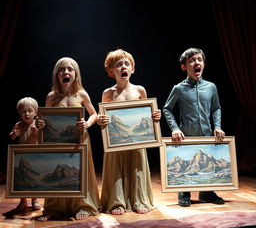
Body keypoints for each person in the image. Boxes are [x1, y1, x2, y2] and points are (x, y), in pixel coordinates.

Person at [97, 49, 161, 215]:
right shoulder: (108, 93)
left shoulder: (139, 90)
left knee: (137, 169)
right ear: (111, 71)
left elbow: (147, 115)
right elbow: (103, 118)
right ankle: (117, 202)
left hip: (136, 142)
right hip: (116, 142)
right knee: (116, 170)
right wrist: (100, 120)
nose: (123, 67)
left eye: (127, 64)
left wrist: (154, 116)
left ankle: (138, 199)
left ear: (133, 69)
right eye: (119, 65)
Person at [36, 57, 100, 221]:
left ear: (75, 74)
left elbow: (94, 114)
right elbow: (45, 119)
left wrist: (87, 124)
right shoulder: (51, 97)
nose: (66, 72)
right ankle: (54, 208)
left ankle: (83, 205)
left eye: (70, 69)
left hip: (79, 140)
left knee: (80, 172)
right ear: (57, 75)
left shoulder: (81, 94)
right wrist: (40, 123)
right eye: (62, 69)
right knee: (58, 174)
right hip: (58, 142)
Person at [163, 47, 225, 207]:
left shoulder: (211, 87)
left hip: (206, 134)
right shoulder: (178, 88)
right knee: (187, 164)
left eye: (199, 59)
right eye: (192, 61)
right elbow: (167, 109)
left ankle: (207, 192)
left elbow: (216, 108)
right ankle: (184, 192)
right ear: (184, 66)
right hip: (187, 135)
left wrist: (217, 126)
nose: (196, 63)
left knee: (206, 164)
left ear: (203, 64)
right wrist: (175, 128)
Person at [10, 97, 41, 211]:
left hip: (34, 156)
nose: (26, 114)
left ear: (36, 112)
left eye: (29, 111)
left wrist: (37, 133)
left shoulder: (37, 124)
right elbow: (12, 136)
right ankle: (23, 201)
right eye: (23, 112)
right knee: (21, 179)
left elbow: (43, 138)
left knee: (33, 179)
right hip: (21, 156)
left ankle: (35, 199)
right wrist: (14, 133)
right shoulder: (19, 124)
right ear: (19, 113)